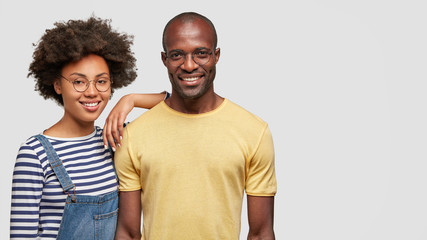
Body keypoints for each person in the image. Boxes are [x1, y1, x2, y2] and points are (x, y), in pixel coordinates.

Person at [114, 12, 277, 240]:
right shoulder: (133, 136)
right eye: (177, 55)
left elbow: (261, 234)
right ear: (164, 59)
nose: (189, 65)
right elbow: (128, 234)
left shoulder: (254, 132)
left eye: (201, 53)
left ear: (216, 55)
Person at [10, 16, 167, 239]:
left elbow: (176, 106)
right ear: (57, 85)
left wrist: (130, 99)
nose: (92, 92)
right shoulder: (34, 154)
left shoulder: (115, 139)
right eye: (79, 81)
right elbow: (21, 235)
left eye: (101, 81)